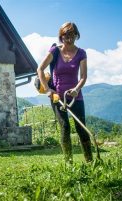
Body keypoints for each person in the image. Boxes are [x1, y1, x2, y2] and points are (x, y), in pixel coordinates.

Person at [37, 22, 93, 162]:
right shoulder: (55, 51)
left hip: (75, 96)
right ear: (61, 36)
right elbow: (40, 69)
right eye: (66, 35)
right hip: (57, 96)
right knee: (65, 127)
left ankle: (90, 160)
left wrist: (76, 89)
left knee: (81, 128)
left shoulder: (81, 53)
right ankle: (69, 163)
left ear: (76, 35)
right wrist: (48, 90)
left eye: (72, 35)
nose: (69, 38)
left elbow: (83, 77)